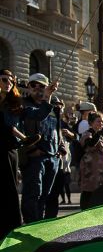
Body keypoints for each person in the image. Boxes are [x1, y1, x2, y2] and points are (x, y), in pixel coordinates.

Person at [19, 73, 63, 222]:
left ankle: (40, 225)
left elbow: (57, 129)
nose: (37, 88)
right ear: (28, 87)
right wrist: (30, 150)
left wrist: (60, 148)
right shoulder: (23, 104)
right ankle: (31, 224)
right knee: (33, 194)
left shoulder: (53, 106)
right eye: (33, 85)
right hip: (35, 157)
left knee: (46, 195)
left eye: (42, 86)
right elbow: (21, 131)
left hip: (52, 156)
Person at [0, 69, 24, 237]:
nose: (8, 83)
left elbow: (12, 127)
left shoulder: (14, 104)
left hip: (8, 151)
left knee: (10, 190)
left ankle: (11, 230)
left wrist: (47, 97)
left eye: (11, 81)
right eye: (4, 80)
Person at [78, 112, 103, 209]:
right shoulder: (88, 133)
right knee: (88, 193)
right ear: (91, 123)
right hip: (90, 171)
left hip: (102, 171)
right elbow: (90, 144)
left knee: (100, 194)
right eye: (98, 121)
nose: (101, 123)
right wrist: (100, 133)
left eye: (102, 121)